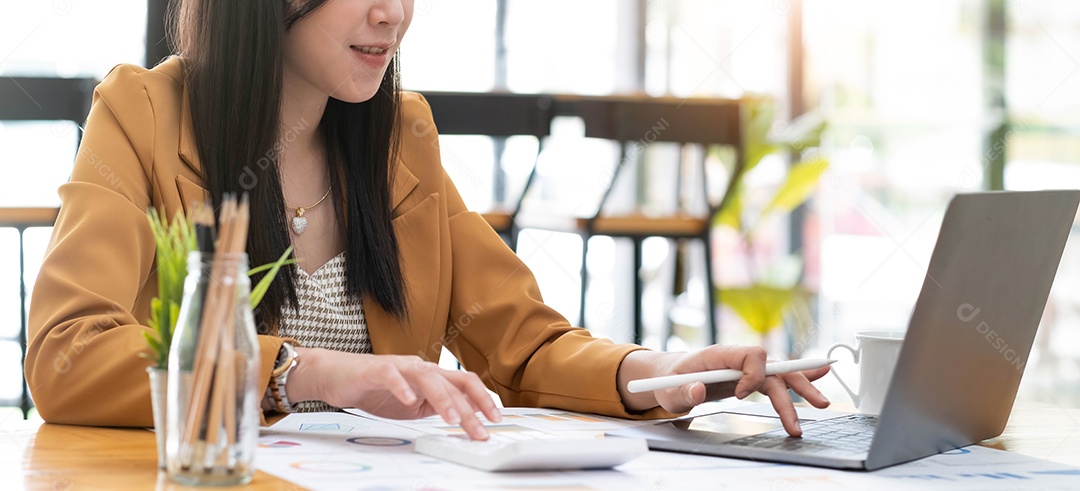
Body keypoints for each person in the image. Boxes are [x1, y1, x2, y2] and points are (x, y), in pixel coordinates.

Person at [25, 0, 830, 441]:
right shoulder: (140, 115)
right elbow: (68, 353)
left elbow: (524, 342)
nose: (396, 12)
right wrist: (302, 373)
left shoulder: (400, 136)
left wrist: (662, 371)